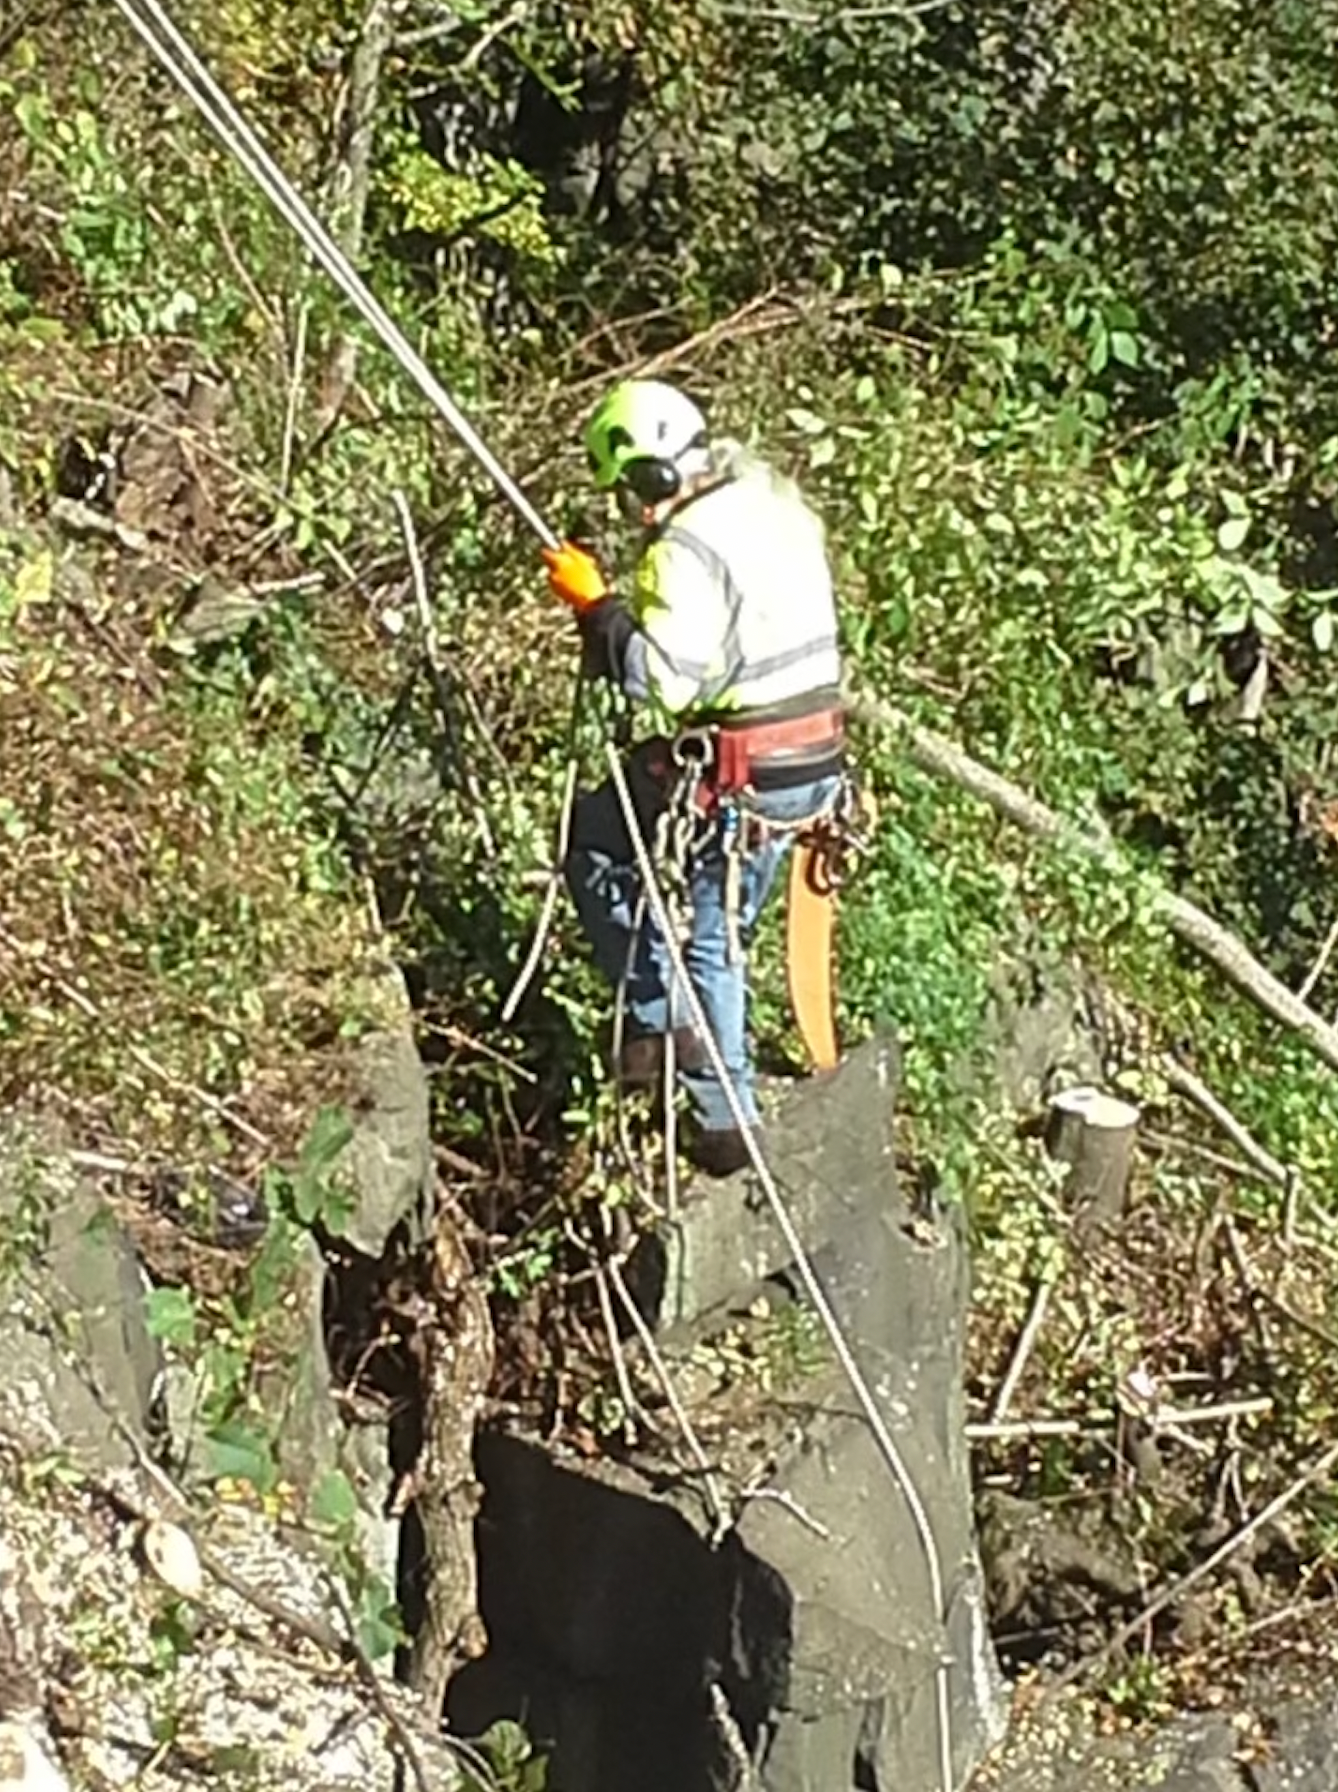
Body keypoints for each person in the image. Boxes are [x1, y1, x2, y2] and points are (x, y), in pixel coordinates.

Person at [544, 378, 846, 1177]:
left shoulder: (687, 546)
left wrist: (599, 609)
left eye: (630, 493)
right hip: (810, 763)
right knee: (719, 924)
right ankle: (664, 1028)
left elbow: (660, 683)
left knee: (615, 858)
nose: (634, 514)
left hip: (743, 773)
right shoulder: (776, 502)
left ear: (654, 476)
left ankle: (721, 1116)